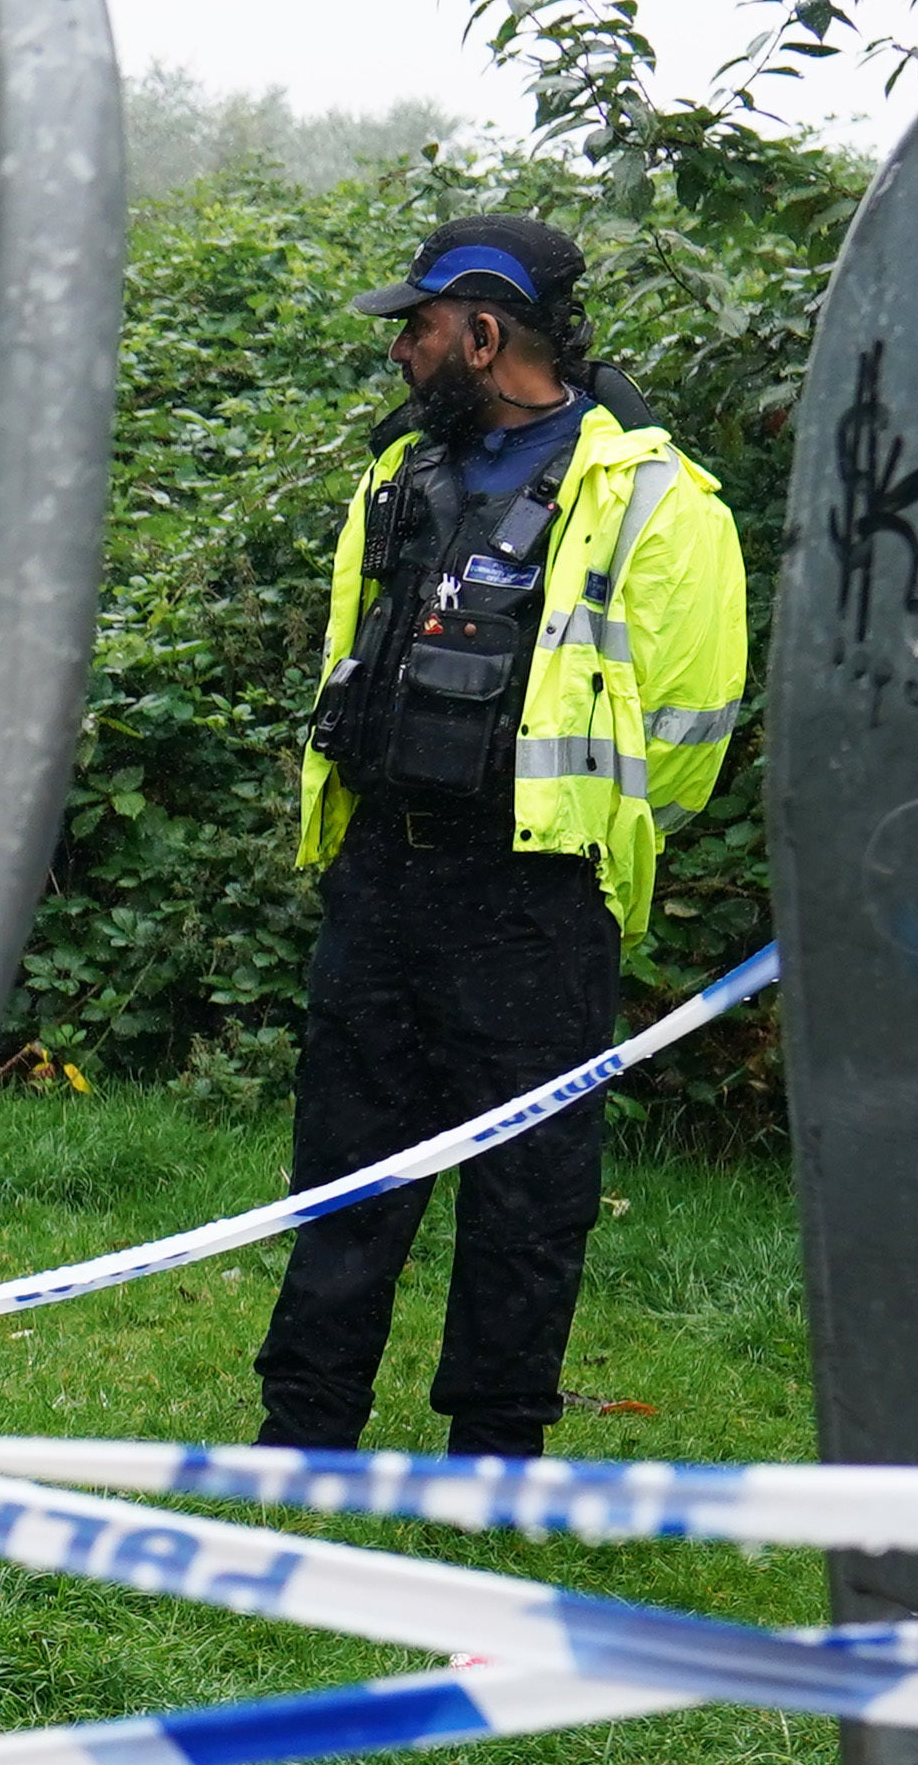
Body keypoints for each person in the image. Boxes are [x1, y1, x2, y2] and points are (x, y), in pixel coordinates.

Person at [251, 214, 748, 1463]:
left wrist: (578, 833)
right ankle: (304, 1431)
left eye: (417, 327)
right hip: (383, 874)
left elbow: (689, 728)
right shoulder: (394, 478)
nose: (401, 352)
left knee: (528, 1191)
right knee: (346, 1163)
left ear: (484, 333)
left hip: (536, 896)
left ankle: (496, 1449)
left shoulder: (650, 496)